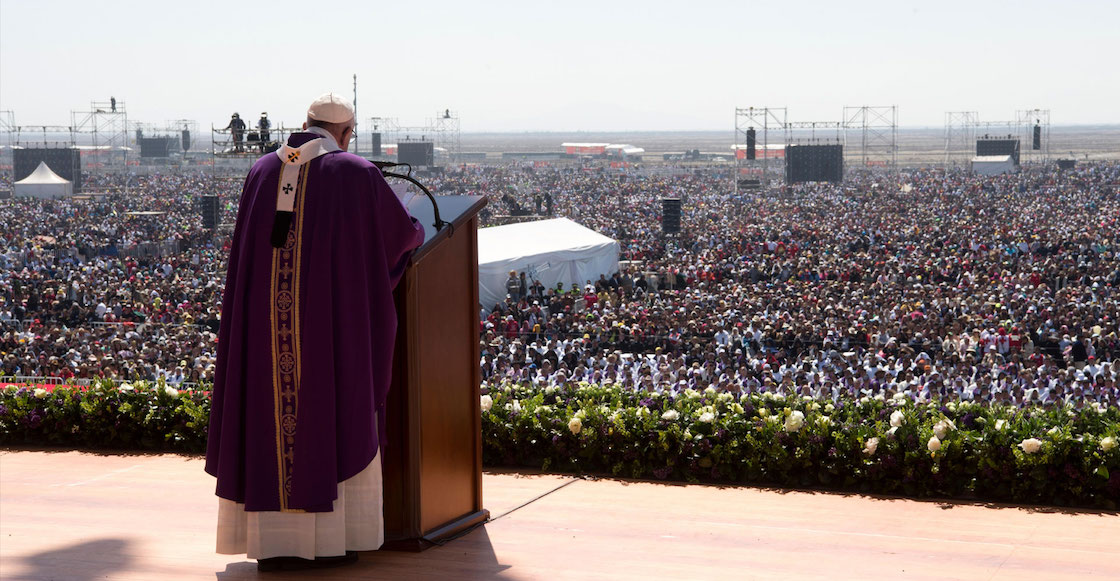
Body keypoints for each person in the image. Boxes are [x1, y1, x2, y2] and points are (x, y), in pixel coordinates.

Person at [205, 93, 425, 571]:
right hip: (328, 332)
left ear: (305, 124)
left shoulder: (263, 170)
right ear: (346, 132)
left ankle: (273, 544)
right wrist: (414, 230)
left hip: (265, 337)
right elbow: (399, 238)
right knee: (334, 410)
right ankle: (330, 542)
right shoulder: (355, 173)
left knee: (270, 417)